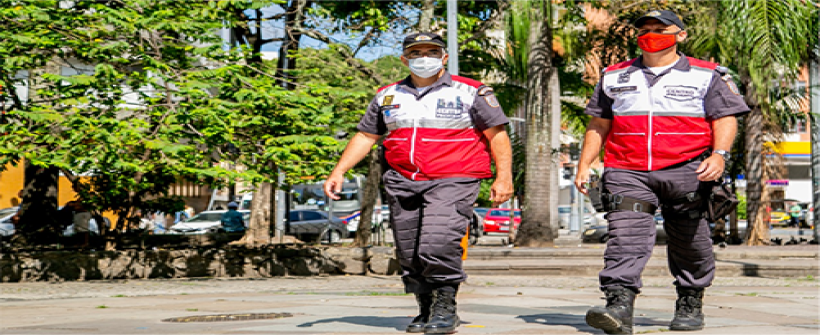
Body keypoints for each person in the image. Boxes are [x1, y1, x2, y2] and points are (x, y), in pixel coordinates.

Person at [323, 32, 513, 334]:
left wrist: (504, 177)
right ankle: (425, 308)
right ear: (405, 58)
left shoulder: (471, 91)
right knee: (409, 250)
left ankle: (445, 308)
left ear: (444, 57)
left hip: (453, 178)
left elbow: (497, 134)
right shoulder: (387, 95)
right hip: (403, 181)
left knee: (437, 243)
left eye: (432, 51)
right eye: (416, 52)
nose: (424, 57)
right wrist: (339, 171)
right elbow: (366, 136)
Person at [574, 10, 749, 334]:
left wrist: (720, 155)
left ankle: (690, 299)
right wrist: (586, 163)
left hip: (687, 169)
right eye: (645, 29)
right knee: (624, 237)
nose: (651, 34)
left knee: (691, 241)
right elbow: (599, 123)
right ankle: (618, 306)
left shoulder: (707, 74)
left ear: (681, 35)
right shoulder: (614, 76)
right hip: (627, 170)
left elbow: (725, 117)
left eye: (660, 29)